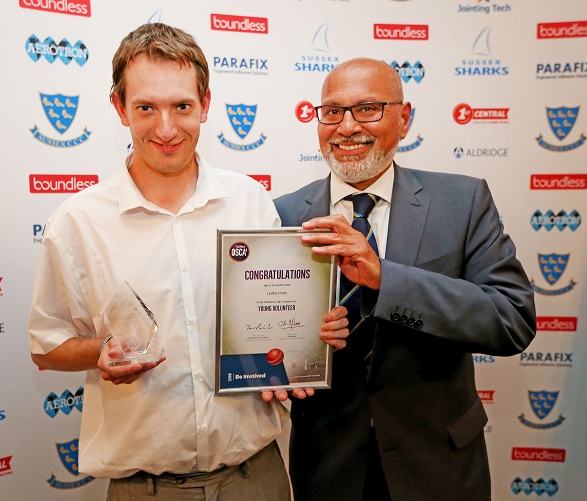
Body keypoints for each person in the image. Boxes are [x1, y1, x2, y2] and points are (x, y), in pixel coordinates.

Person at [27, 23, 347, 501]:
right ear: (119, 108)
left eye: (182, 106)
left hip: (255, 478)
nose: (166, 128)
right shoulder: (76, 223)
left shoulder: (250, 202)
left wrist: (311, 338)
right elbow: (45, 346)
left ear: (206, 104)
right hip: (144, 488)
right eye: (145, 108)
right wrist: (99, 353)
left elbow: (278, 325)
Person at [274, 58, 536, 501]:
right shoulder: (283, 216)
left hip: (440, 465)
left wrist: (385, 280)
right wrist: (289, 349)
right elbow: (267, 346)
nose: (347, 127)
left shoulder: (462, 201)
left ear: (404, 117)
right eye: (332, 112)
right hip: (328, 469)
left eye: (368, 109)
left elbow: (511, 320)